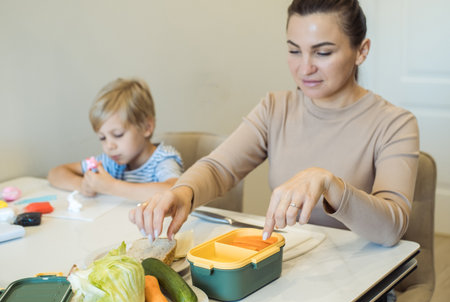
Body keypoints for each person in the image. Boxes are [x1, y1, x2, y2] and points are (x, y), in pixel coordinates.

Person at [130, 0, 419, 250]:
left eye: (323, 53)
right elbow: (219, 169)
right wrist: (184, 193)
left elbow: (391, 229)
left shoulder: (394, 124)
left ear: (361, 51)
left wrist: (330, 184)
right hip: (293, 266)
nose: (305, 68)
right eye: (295, 51)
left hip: (362, 276)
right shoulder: (275, 108)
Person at [48, 78, 183, 202]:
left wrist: (111, 187)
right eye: (102, 138)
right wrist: (83, 185)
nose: (109, 146)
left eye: (118, 135)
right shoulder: (111, 162)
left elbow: (174, 191)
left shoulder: (163, 160)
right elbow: (56, 173)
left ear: (146, 127)